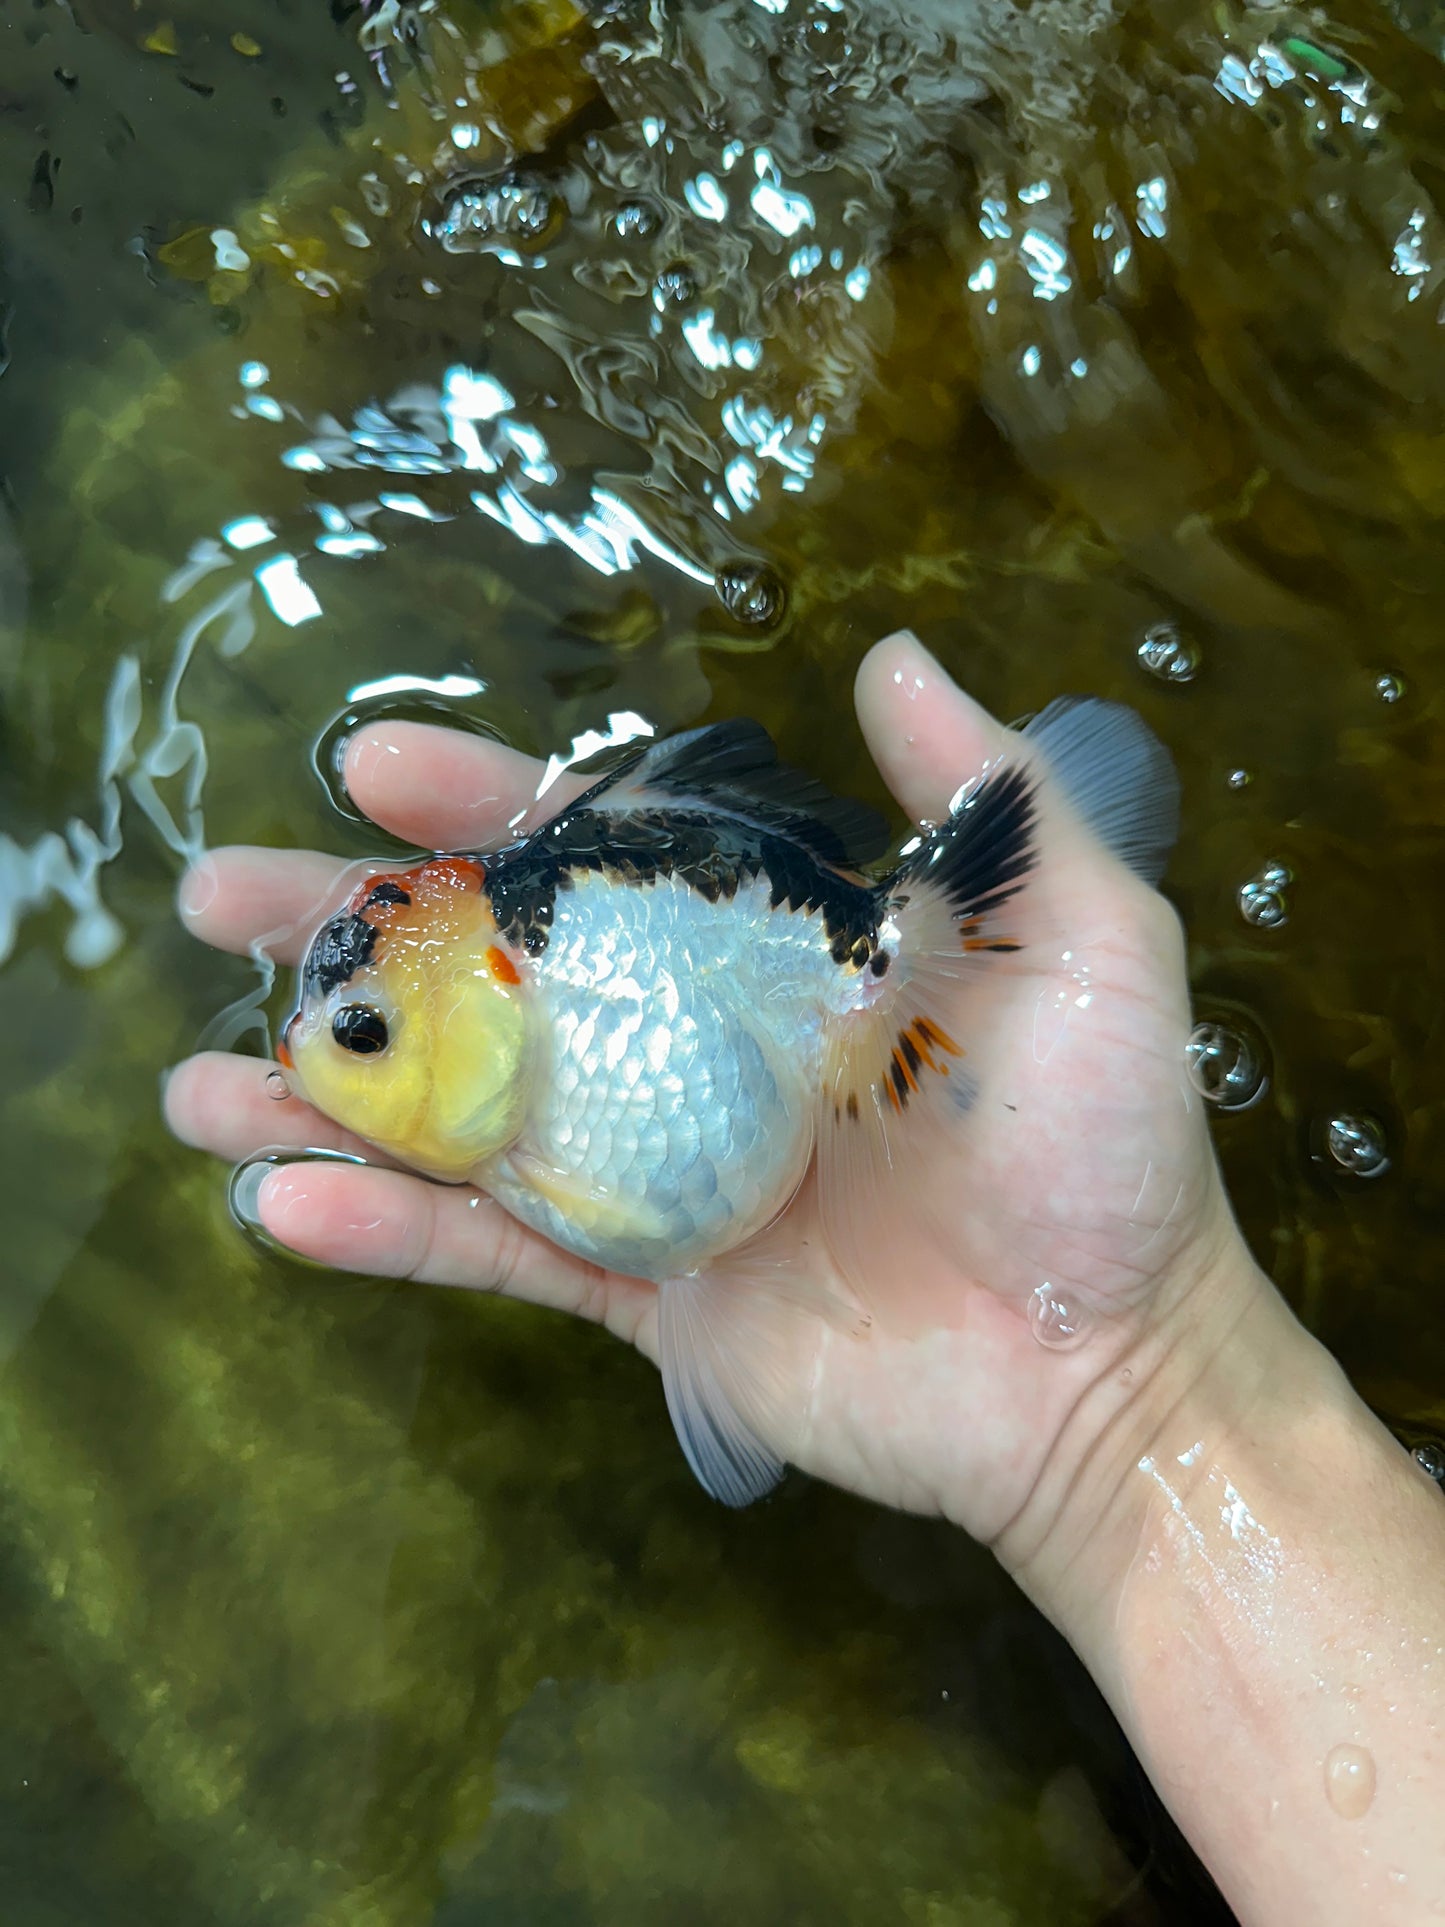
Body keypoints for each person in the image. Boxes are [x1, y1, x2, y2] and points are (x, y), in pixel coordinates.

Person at [165, 632, 1445, 1925]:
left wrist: (1142, 1383)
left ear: (493, 987)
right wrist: (1137, 1421)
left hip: (801, 988)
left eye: (367, 1037)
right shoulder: (516, 1107)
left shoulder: (591, 1029)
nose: (328, 1062)